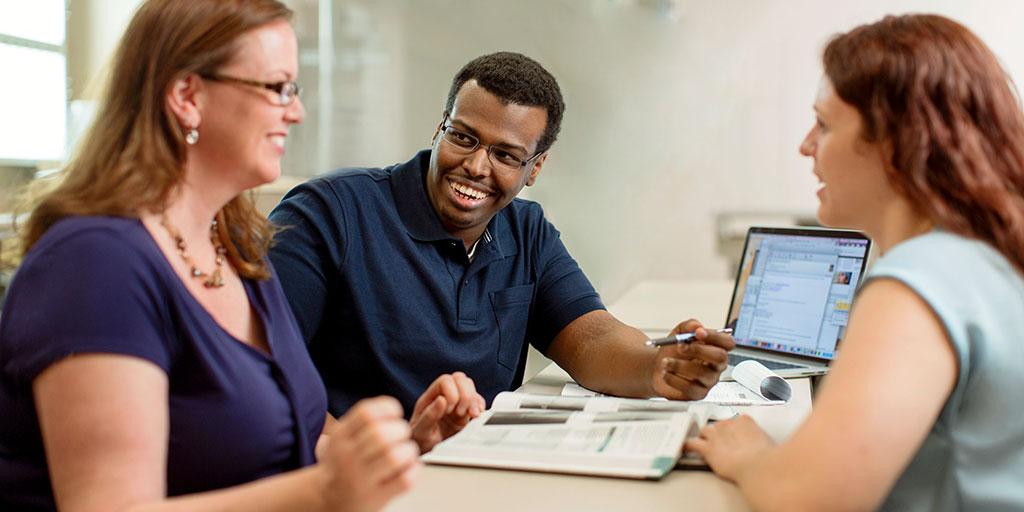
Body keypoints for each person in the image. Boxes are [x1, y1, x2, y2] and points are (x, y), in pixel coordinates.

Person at [0, 1, 480, 510]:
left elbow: (282, 448)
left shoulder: (235, 246)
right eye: (277, 88)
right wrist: (326, 491)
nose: (296, 111)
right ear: (188, 96)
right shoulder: (95, 264)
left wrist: (398, 453)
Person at [268, 51, 736, 420]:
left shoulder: (526, 231)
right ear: (439, 128)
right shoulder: (329, 213)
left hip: (474, 467)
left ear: (535, 168)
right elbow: (266, 378)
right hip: (360, 475)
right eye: (464, 137)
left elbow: (591, 338)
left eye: (507, 155)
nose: (476, 166)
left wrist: (658, 366)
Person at [686, 14, 1024, 510]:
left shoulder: (918, 285)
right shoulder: (988, 257)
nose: (806, 146)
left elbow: (810, 499)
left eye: (823, 125)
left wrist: (749, 454)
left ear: (895, 142)